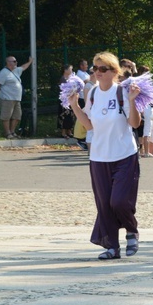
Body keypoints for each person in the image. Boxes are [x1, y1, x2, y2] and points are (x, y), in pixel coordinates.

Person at [68, 52, 142, 260]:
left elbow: (134, 124)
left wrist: (133, 102)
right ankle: (112, 247)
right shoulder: (92, 94)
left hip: (124, 154)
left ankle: (131, 229)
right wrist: (74, 105)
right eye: (94, 68)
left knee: (118, 201)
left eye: (102, 69)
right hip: (99, 157)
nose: (97, 72)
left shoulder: (122, 92)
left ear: (114, 72)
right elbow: (89, 124)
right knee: (104, 203)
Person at [0, 55, 32, 139]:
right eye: (14, 61)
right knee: (6, 116)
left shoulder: (16, 70)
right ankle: (7, 133)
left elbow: (23, 67)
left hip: (16, 98)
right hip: (7, 98)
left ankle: (12, 132)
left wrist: (30, 62)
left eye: (16, 61)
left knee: (17, 115)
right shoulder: (3, 72)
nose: (16, 62)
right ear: (8, 63)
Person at [57, 64, 76, 139]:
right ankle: (63, 132)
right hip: (64, 101)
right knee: (64, 115)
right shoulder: (63, 79)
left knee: (71, 116)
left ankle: (69, 131)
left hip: (71, 100)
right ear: (65, 70)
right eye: (70, 69)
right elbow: (64, 90)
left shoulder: (72, 78)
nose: (72, 71)